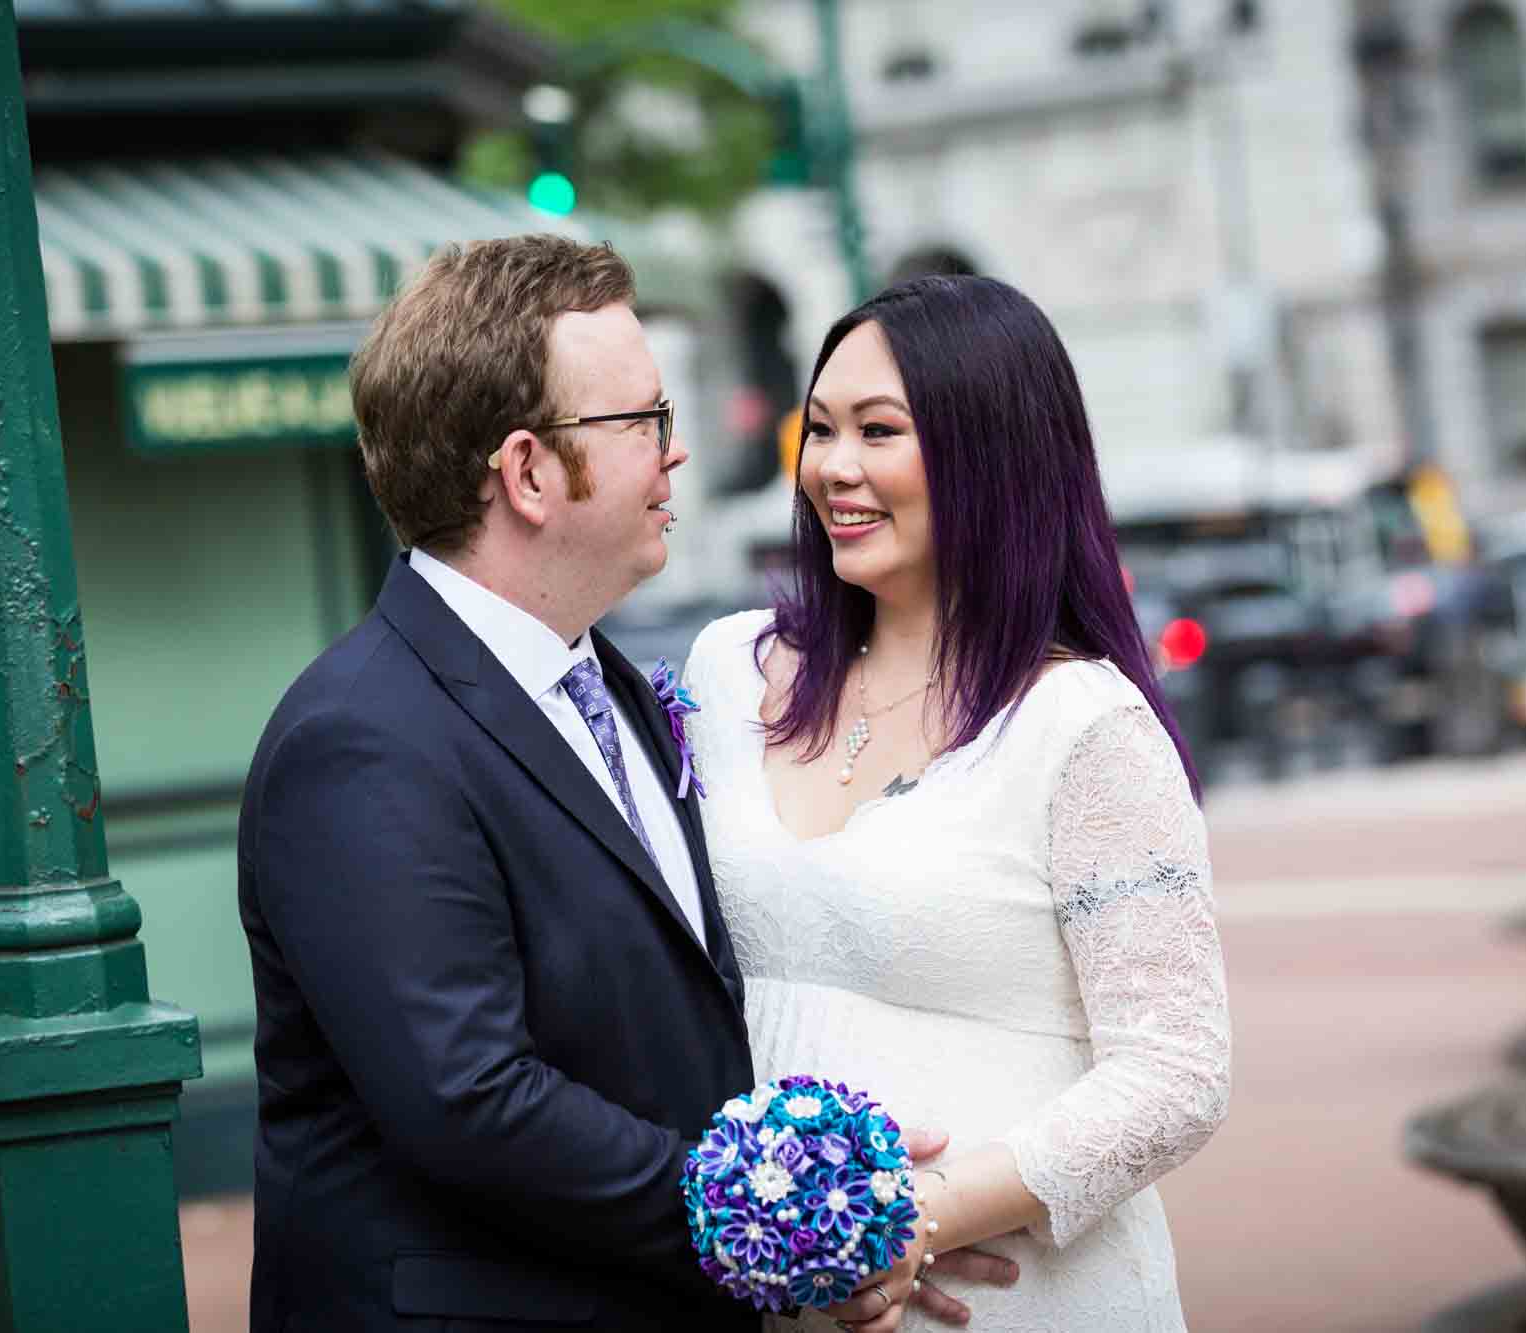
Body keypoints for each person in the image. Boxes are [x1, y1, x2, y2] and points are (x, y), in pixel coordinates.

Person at [236, 236, 1000, 1333]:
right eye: (643, 421)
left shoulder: (624, 690)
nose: (674, 454)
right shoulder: (360, 738)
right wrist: (786, 1220)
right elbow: (469, 1101)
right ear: (529, 472)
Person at [682, 274, 1233, 1331]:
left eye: (878, 431)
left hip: (1016, 1303)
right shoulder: (725, 674)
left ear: (990, 454)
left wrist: (910, 1218)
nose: (832, 469)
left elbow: (1175, 1072)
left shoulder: (1081, 725)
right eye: (823, 429)